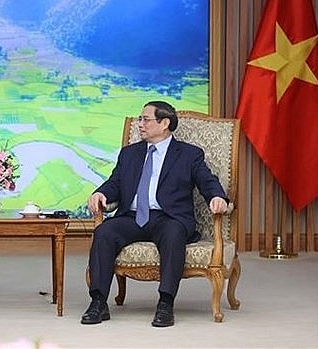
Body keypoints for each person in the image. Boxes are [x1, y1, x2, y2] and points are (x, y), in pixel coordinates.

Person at [82, 101, 228, 327]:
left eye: (145, 119)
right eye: (140, 119)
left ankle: (165, 304)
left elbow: (208, 181)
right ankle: (98, 302)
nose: (140, 124)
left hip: (169, 217)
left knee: (173, 233)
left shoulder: (189, 155)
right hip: (132, 217)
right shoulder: (129, 154)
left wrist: (217, 198)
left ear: (164, 123)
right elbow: (115, 183)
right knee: (104, 232)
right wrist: (100, 193)